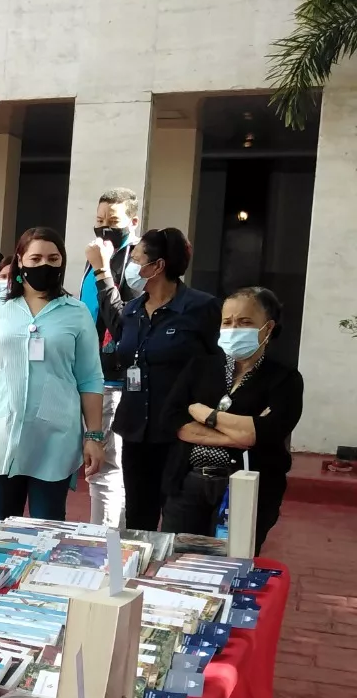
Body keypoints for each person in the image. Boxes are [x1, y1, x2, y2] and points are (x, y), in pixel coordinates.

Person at [0, 227, 105, 525]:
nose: (44, 265)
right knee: (1, 527)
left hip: (55, 436)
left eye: (53, 258)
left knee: (49, 526)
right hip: (1, 435)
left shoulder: (76, 313)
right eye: (35, 258)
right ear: (20, 262)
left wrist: (93, 435)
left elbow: (89, 378)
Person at [160, 287, 303, 554]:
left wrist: (206, 414)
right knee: (175, 562)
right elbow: (172, 419)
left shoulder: (284, 379)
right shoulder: (200, 367)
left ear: (268, 328)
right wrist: (240, 433)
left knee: (232, 567)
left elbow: (267, 432)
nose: (234, 328)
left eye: (245, 322)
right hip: (188, 484)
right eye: (228, 322)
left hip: (246, 490)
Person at [112, 228, 219, 531]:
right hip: (136, 430)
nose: (130, 266)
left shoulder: (201, 308)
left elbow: (216, 367)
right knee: (138, 517)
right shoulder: (132, 310)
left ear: (157, 266)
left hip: (179, 432)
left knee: (179, 518)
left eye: (135, 258)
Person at [78, 187, 144, 529]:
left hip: (113, 379)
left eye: (113, 221)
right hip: (87, 375)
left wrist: (103, 269)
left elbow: (124, 324)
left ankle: (104, 547)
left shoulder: (133, 265)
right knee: (93, 467)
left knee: (104, 469)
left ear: (133, 223)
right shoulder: (95, 261)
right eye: (99, 220)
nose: (104, 229)